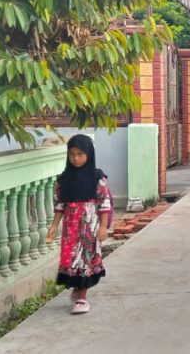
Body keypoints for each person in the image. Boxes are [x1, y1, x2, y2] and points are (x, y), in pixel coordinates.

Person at [46, 134, 111, 315]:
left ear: (89, 154)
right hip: (70, 225)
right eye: (72, 154)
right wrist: (54, 226)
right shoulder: (63, 179)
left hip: (89, 225)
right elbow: (59, 204)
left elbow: (104, 203)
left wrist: (103, 227)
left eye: (80, 154)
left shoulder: (97, 178)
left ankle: (82, 298)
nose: (75, 158)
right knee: (71, 259)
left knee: (85, 260)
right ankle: (77, 290)